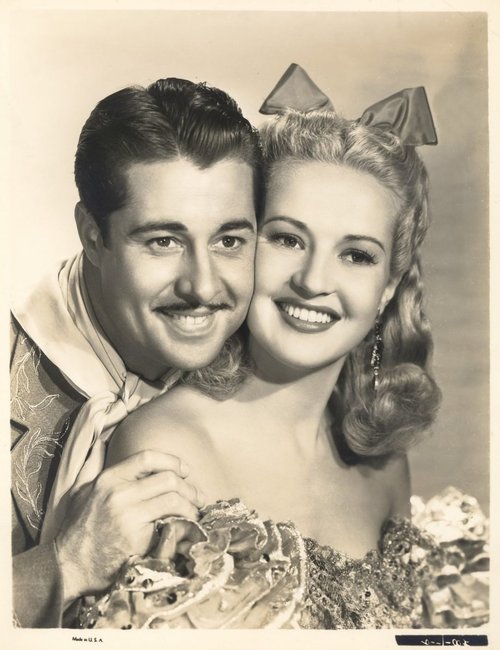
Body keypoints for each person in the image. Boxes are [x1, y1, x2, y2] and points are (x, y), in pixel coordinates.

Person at [96, 70, 480, 629]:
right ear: (243, 243)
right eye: (288, 239)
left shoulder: (384, 465)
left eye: (356, 255)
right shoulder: (165, 447)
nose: (312, 280)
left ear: (388, 290)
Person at [10, 76, 261, 627]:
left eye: (229, 241)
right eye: (163, 241)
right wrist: (64, 564)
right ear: (92, 236)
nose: (202, 286)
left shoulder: (272, 365)